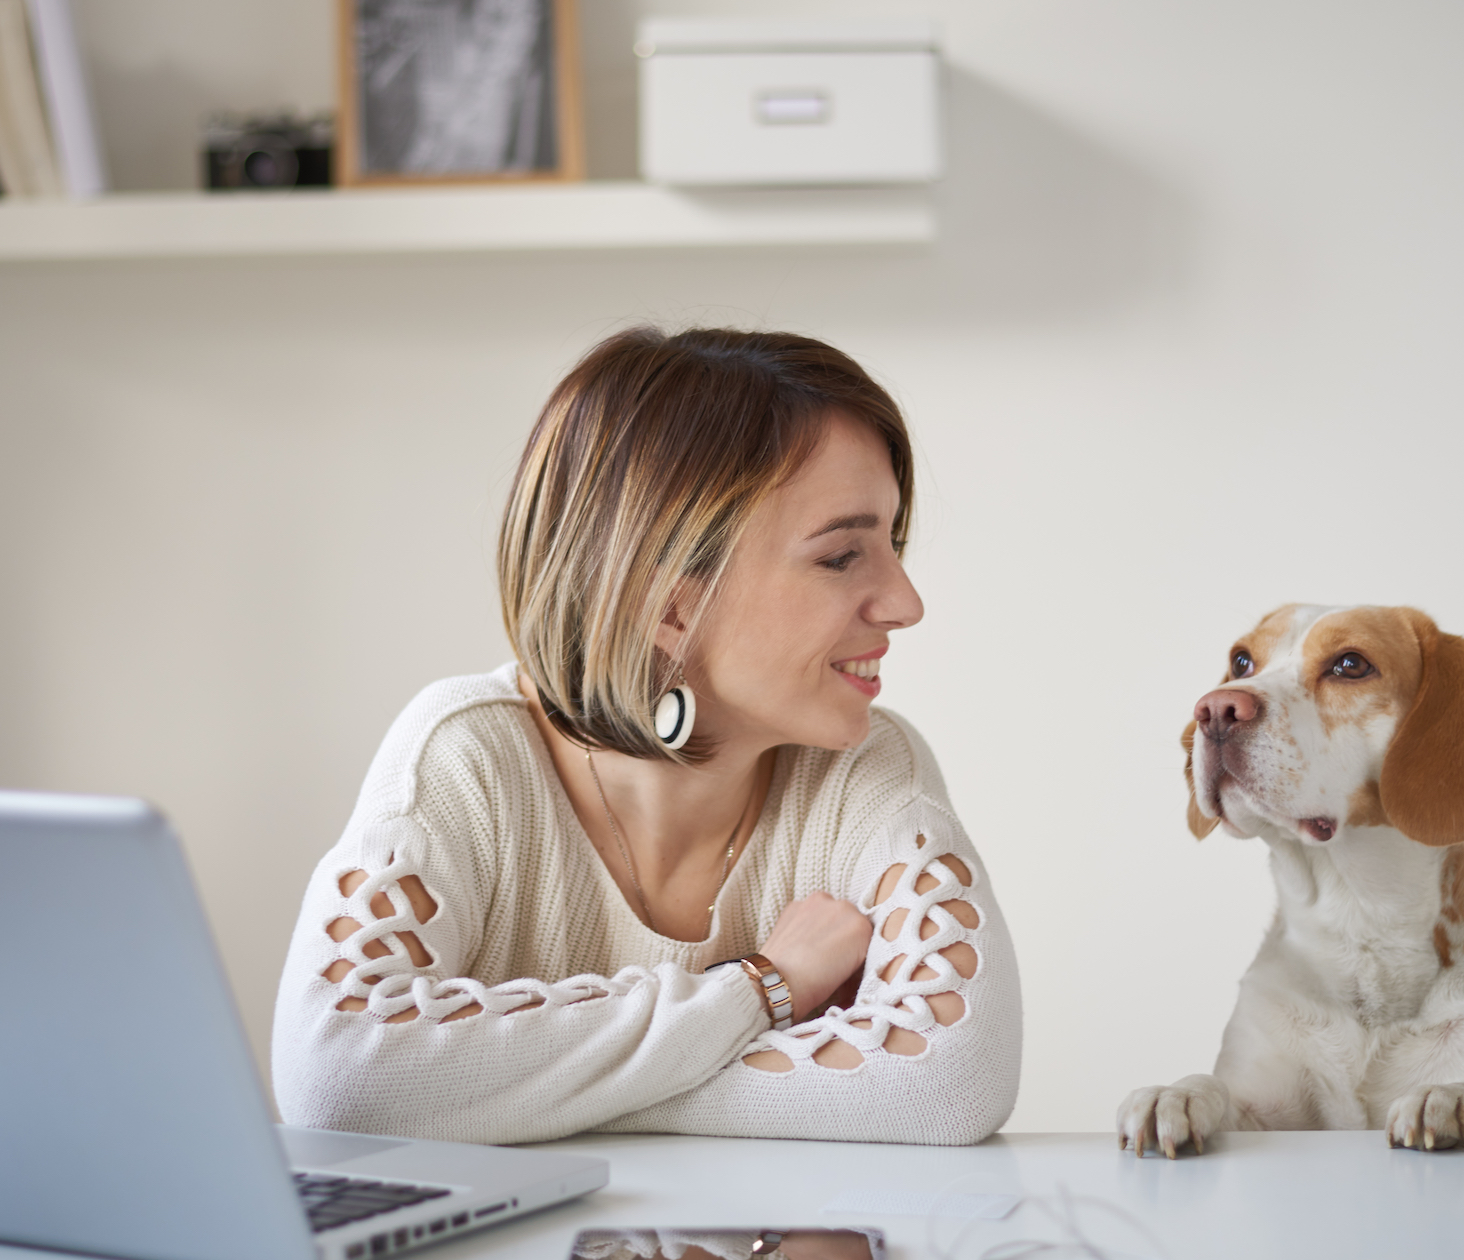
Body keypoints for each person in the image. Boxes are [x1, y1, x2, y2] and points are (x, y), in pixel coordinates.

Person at [271, 326, 1020, 1144]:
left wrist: (527, 1093)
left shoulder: (867, 771)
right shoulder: (466, 758)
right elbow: (340, 1079)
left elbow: (951, 1085)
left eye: (892, 543)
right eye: (842, 556)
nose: (905, 603)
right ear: (667, 607)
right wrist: (761, 991)